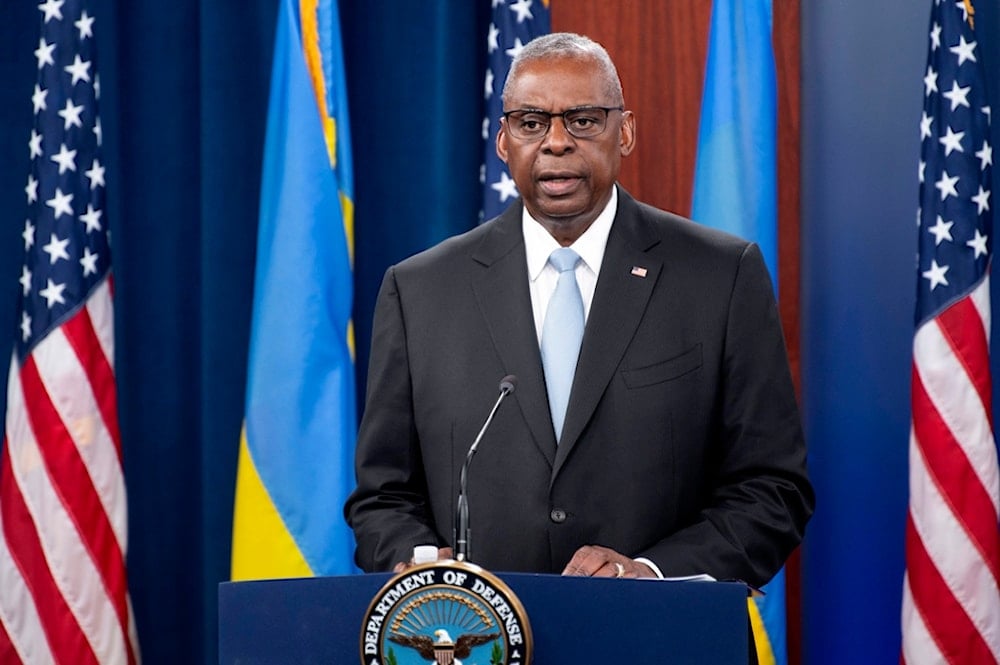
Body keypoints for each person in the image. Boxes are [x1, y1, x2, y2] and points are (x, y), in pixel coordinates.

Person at [344, 32, 813, 585]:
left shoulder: (720, 276)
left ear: (626, 131)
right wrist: (423, 564)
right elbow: (382, 498)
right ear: (503, 141)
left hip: (658, 639)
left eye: (584, 120)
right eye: (531, 122)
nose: (556, 142)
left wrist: (651, 572)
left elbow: (773, 489)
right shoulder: (420, 291)